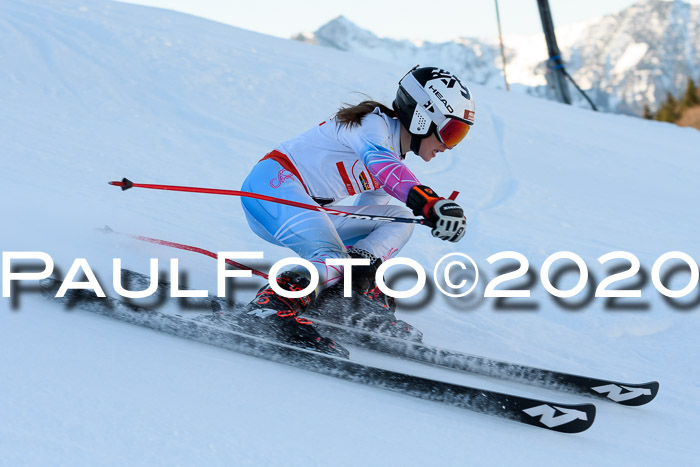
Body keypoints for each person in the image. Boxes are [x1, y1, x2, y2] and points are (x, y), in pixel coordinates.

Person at [239, 66, 475, 357]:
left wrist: (362, 277)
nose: (449, 146)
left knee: (398, 220)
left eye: (460, 135)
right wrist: (428, 202)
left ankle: (343, 299)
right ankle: (269, 309)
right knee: (333, 258)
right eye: (451, 132)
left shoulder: (392, 154)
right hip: (273, 188)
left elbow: (374, 213)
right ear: (422, 116)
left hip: (306, 208)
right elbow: (381, 163)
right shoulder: (371, 125)